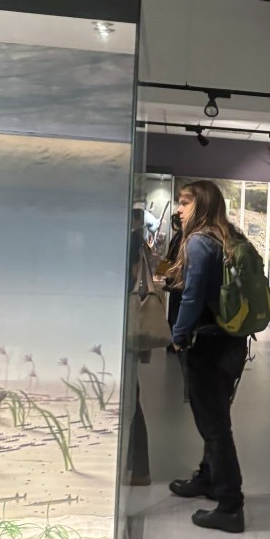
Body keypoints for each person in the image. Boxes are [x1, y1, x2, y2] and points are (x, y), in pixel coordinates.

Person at [167, 180, 248, 533]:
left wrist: (178, 335)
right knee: (216, 417)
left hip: (207, 343)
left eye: (185, 203)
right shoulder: (230, 237)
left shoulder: (200, 242)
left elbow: (192, 296)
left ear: (200, 206)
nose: (179, 209)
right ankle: (209, 478)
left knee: (214, 427)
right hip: (232, 341)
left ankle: (230, 505)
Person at [126, 208, 151, 486]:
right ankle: (138, 469)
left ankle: (139, 469)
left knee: (131, 398)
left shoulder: (133, 240)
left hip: (126, 327)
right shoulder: (137, 240)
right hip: (128, 326)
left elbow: (136, 280)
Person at [163, 212, 184, 350]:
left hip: (177, 281)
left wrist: (161, 273)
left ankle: (174, 342)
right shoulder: (182, 237)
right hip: (178, 281)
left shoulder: (178, 238)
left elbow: (169, 257)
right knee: (175, 311)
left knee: (174, 311)